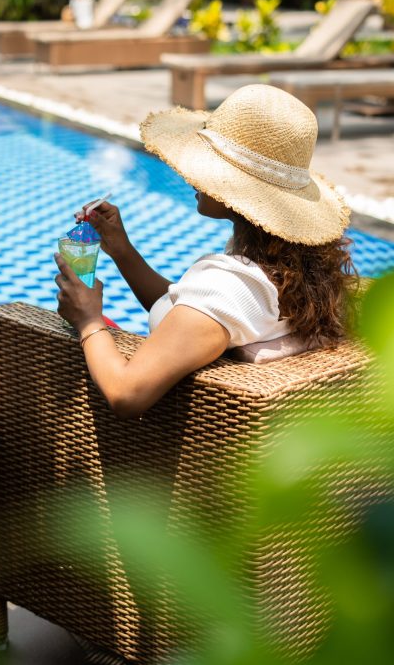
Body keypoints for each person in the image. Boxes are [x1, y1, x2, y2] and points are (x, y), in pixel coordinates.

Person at [54, 84, 358, 420]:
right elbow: (191, 314)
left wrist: (89, 320)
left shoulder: (231, 287)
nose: (190, 178)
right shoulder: (279, 267)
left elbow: (126, 394)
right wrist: (122, 251)